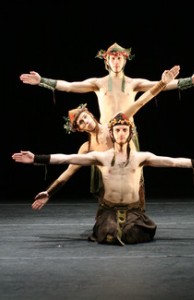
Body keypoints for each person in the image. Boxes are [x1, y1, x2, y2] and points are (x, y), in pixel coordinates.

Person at [12, 113, 194, 246]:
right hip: (109, 210)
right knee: (109, 234)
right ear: (113, 133)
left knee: (131, 234)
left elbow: (172, 162)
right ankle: (109, 227)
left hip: (134, 211)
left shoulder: (141, 158)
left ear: (130, 132)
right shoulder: (101, 157)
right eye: (118, 130)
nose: (122, 133)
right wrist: (35, 159)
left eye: (125, 130)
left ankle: (130, 227)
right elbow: (66, 158)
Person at [24, 65, 180, 211]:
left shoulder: (114, 123)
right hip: (110, 189)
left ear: (91, 114)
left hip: (130, 182)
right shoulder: (87, 147)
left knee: (134, 225)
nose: (86, 122)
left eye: (85, 117)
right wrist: (49, 192)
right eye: (81, 122)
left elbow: (140, 102)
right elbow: (69, 171)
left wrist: (162, 83)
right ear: (79, 129)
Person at [19, 42, 194, 125]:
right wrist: (41, 81)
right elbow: (69, 86)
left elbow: (162, 84)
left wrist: (190, 81)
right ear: (107, 61)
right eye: (113, 58)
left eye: (120, 58)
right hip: (104, 131)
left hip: (127, 131)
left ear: (125, 60)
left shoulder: (133, 83)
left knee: (133, 176)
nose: (116, 61)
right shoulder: (98, 83)